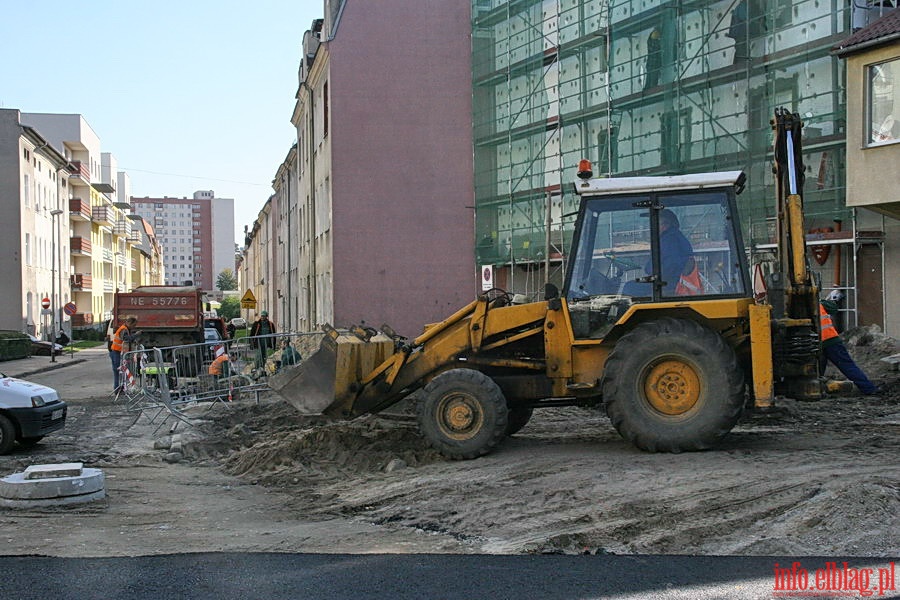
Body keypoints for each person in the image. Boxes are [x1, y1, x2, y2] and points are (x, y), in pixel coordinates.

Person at [819, 303, 879, 395]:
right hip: (830, 340)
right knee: (847, 366)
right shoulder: (817, 303)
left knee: (818, 369)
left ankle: (818, 390)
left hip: (818, 342)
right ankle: (868, 388)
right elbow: (833, 308)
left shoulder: (799, 307)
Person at [110, 317, 139, 392]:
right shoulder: (124, 329)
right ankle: (117, 389)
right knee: (118, 371)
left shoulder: (125, 329)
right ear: (130, 323)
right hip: (116, 352)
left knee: (121, 371)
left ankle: (121, 388)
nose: (134, 327)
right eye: (134, 325)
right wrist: (136, 335)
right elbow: (126, 339)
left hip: (118, 352)